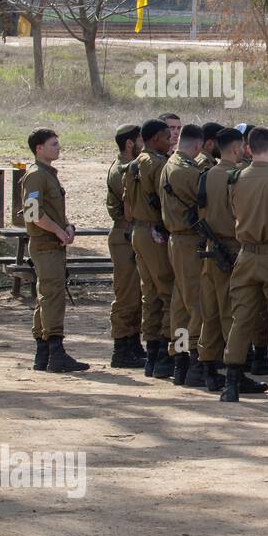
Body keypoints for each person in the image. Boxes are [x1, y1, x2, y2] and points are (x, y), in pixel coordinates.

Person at [221, 126, 268, 405]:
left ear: (248, 148)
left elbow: (232, 212)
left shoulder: (236, 178)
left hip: (245, 254)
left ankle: (231, 382)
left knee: (241, 317)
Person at [196, 128, 266, 396]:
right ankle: (234, 372)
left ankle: (208, 369)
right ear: (237, 149)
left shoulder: (207, 174)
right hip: (231, 249)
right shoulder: (235, 177)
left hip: (210, 248)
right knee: (232, 311)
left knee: (210, 311)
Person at [21, 128, 90, 373]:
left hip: (52, 244)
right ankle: (55, 352)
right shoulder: (36, 175)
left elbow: (51, 209)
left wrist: (67, 226)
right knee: (53, 297)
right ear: (39, 149)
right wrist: (59, 232)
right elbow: (32, 213)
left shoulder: (48, 174)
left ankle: (43, 354)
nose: (58, 147)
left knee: (47, 297)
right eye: (53, 144)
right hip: (45, 244)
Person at [125, 116, 177, 380]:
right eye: (167, 137)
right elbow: (166, 202)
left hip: (138, 230)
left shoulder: (133, 164)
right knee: (169, 291)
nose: (170, 142)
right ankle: (167, 353)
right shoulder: (157, 165)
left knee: (150, 294)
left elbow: (126, 204)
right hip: (156, 232)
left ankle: (153, 353)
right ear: (156, 139)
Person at [159, 123, 208, 388]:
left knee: (180, 301)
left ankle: (179, 358)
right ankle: (194, 359)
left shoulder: (169, 164)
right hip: (189, 241)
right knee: (196, 301)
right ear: (198, 146)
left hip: (175, 239)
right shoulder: (190, 171)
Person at [107, 123, 146, 368]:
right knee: (126, 295)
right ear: (130, 143)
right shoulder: (123, 170)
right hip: (124, 234)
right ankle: (121, 347)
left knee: (137, 294)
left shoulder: (128, 167)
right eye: (141, 140)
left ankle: (132, 342)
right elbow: (130, 207)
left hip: (129, 234)